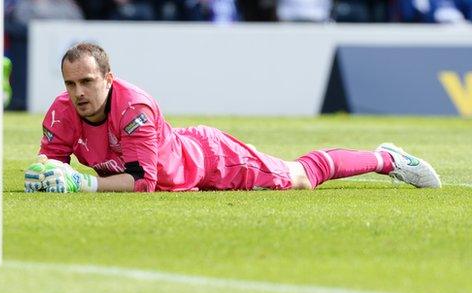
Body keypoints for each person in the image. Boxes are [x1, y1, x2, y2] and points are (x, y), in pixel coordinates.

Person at [24, 43, 441, 193]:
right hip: (175, 156)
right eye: (70, 84)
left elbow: (142, 181)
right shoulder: (62, 112)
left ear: (108, 78)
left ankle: (386, 159)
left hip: (208, 159)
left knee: (298, 176)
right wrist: (45, 176)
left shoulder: (134, 108)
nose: (78, 92)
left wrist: (84, 184)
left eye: (87, 82)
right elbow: (52, 164)